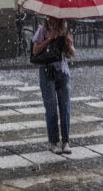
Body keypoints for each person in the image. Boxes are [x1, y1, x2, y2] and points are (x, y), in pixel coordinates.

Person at [32, 16, 76, 154]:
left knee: (65, 107)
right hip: (47, 72)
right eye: (50, 17)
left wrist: (68, 45)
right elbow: (35, 51)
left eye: (55, 17)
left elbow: (71, 54)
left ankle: (66, 142)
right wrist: (49, 38)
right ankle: (53, 142)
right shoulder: (42, 30)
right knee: (51, 108)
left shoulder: (64, 30)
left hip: (63, 72)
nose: (52, 19)